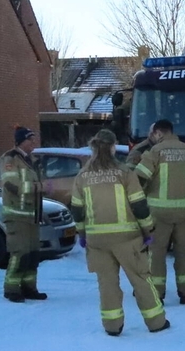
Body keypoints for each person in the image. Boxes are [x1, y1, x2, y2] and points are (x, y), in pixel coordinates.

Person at [71, 129, 169, 336]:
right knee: (141, 279)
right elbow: (139, 205)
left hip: (97, 240)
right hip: (127, 238)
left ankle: (112, 325)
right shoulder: (124, 173)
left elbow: (77, 210)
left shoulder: (83, 176)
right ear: (113, 147)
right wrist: (148, 229)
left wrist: (82, 234)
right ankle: (156, 322)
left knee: (107, 283)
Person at [134, 119, 185, 305]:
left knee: (157, 253)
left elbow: (139, 177)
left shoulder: (155, 151)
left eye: (153, 134)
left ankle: (157, 293)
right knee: (184, 252)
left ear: (159, 133)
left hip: (159, 212)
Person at [0, 126, 47, 302]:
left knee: (32, 254)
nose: (33, 142)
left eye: (33, 139)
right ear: (20, 141)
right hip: (17, 215)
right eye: (29, 139)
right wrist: (40, 187)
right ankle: (11, 289)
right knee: (20, 253)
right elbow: (11, 185)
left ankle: (29, 288)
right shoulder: (10, 159)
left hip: (32, 216)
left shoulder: (31, 160)